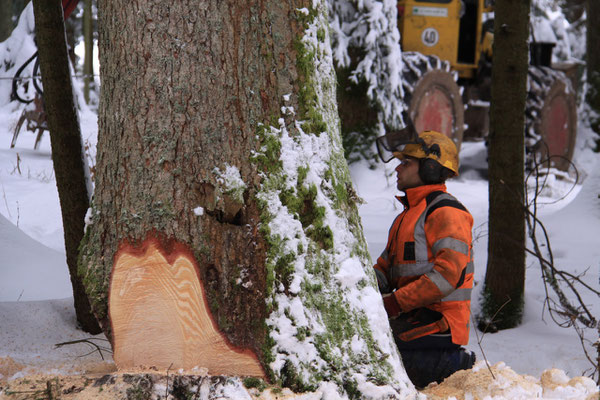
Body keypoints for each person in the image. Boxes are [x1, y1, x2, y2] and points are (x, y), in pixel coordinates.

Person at [373, 129, 476, 388]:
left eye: (406, 163)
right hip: (415, 314)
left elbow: (446, 276)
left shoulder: (446, 212)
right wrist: (359, 289)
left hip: (441, 322)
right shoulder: (407, 216)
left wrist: (394, 303)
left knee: (379, 352)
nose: (397, 169)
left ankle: (455, 364)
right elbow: (385, 271)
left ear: (430, 168)